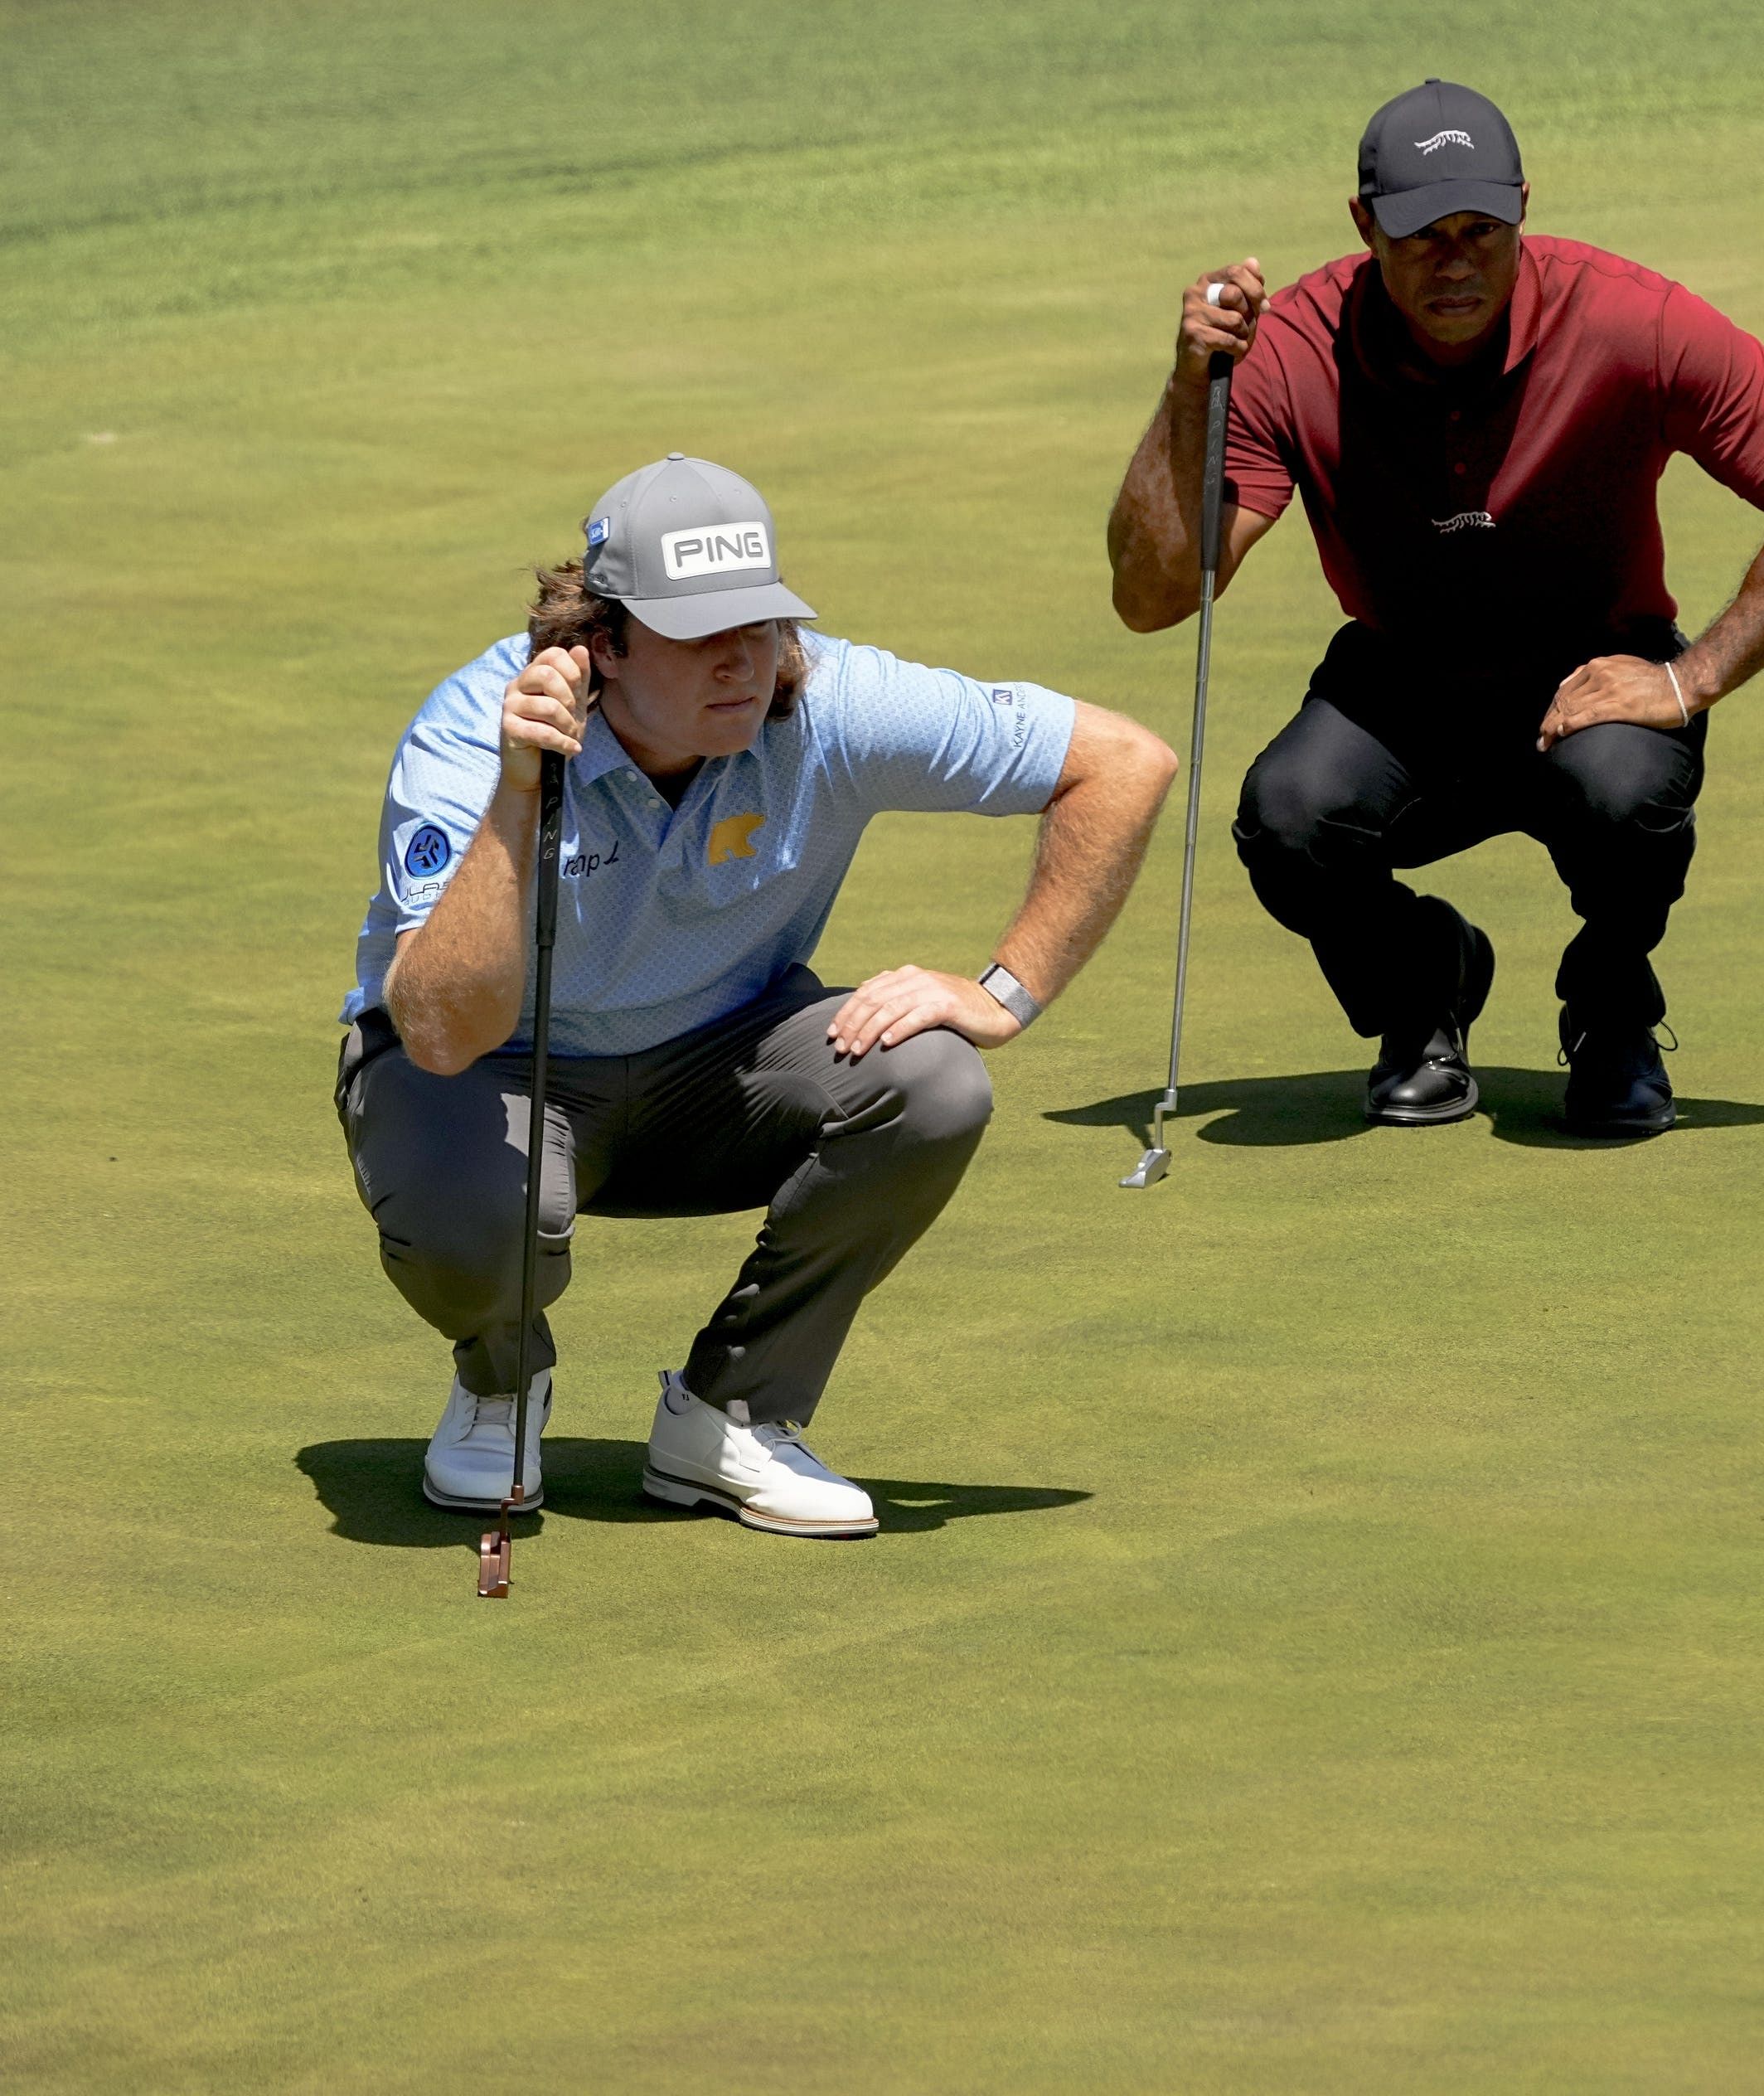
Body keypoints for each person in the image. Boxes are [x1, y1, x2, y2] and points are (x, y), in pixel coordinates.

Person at [338, 454, 1175, 1536]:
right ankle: (500, 1383)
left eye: (762, 624)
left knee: (931, 1079)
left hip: (717, 1072)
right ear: (603, 643)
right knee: (474, 1219)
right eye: (700, 635)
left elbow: (1121, 762)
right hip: (495, 1075)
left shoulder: (826, 699)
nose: (743, 663)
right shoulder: (474, 728)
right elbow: (444, 1033)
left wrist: (1003, 991)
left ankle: (731, 1415)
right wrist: (519, 789)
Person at [1105, 79, 1764, 1136]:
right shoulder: (1291, 347)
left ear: (1523, 210)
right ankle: (1423, 981)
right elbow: (1154, 595)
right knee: (1288, 818)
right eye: (1421, 234)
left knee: (1625, 794)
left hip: (1593, 663)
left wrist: (1689, 677)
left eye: (1482, 230)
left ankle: (1612, 1012)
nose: (1455, 260)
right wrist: (1189, 385)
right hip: (1403, 678)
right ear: (1363, 228)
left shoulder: (1627, 317)